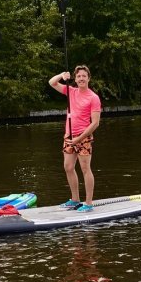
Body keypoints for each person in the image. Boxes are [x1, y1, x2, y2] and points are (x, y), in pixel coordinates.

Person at [48, 65, 101, 212]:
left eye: (84, 76)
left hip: (84, 137)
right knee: (68, 167)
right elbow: (51, 83)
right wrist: (62, 75)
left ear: (88, 78)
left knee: (85, 168)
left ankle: (88, 203)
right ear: (75, 79)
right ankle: (75, 199)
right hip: (69, 136)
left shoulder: (93, 98)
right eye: (78, 76)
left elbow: (95, 123)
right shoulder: (70, 91)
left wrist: (80, 138)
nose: (81, 78)